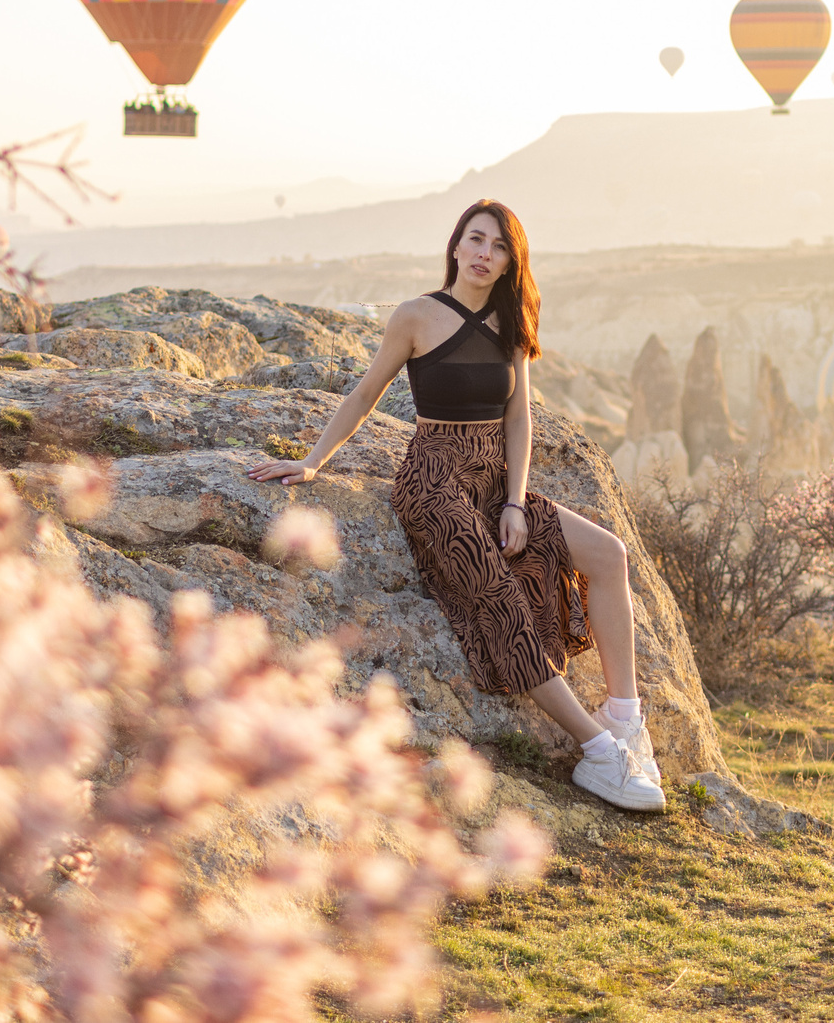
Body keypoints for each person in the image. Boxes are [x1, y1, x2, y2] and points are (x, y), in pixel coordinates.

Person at [246, 199, 663, 812]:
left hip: (494, 481)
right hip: (434, 480)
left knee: (609, 553)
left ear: (508, 262)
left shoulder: (512, 321)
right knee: (497, 597)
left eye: (497, 247)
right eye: (474, 239)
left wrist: (516, 503)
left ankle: (625, 720)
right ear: (456, 245)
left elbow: (518, 416)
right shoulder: (415, 316)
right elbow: (367, 391)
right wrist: (314, 461)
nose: (483, 253)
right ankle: (599, 753)